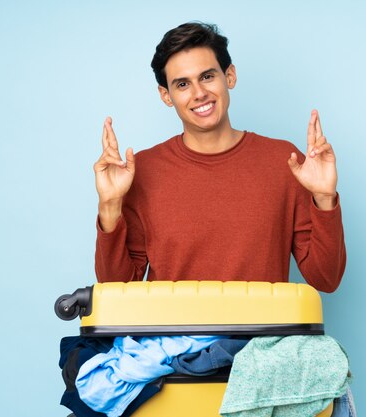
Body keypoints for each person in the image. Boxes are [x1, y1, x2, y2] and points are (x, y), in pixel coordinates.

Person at [93, 22, 346, 292]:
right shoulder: (141, 170)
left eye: (207, 77)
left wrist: (324, 198)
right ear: (166, 96)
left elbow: (325, 279)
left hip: (260, 332)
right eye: (182, 84)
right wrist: (109, 205)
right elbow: (116, 291)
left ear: (230, 76)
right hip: (173, 333)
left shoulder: (285, 161)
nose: (199, 93)